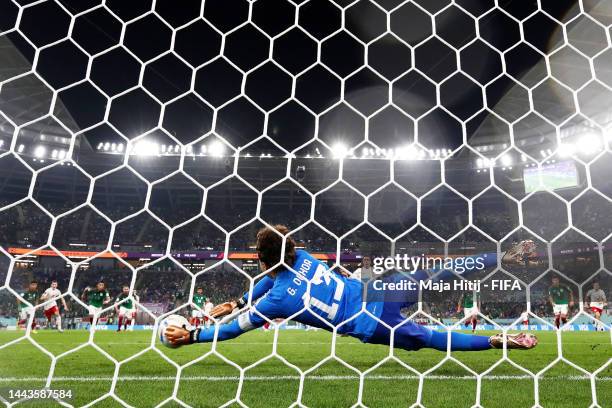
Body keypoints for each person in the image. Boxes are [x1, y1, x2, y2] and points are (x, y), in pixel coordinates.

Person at [164, 225, 538, 351]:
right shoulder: (305, 255)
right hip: (374, 290)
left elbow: (233, 329)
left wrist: (194, 335)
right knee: (438, 272)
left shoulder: (276, 300)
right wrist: (239, 299)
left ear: (262, 260)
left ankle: (494, 341)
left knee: (429, 338)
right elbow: (269, 279)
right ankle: (504, 256)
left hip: (366, 324)